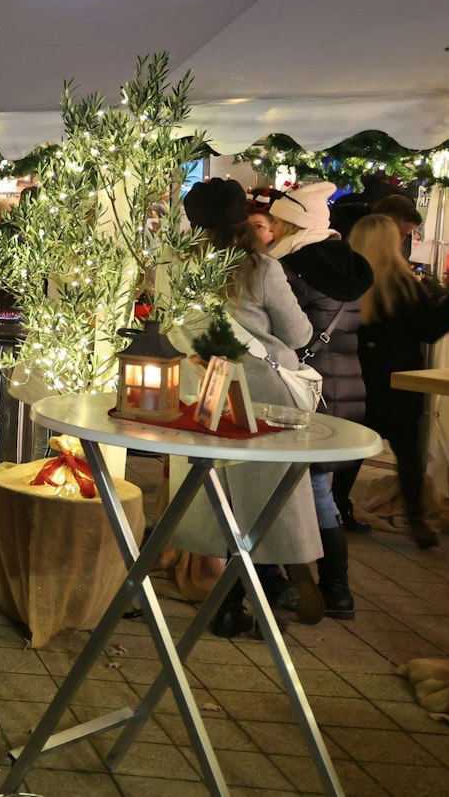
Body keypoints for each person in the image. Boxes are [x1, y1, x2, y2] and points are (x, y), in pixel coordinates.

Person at [175, 178, 322, 638]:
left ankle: (229, 604)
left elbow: (175, 332)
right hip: (262, 396)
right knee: (268, 500)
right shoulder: (261, 268)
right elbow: (298, 335)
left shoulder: (175, 267)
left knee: (217, 498)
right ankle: (271, 591)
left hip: (205, 392)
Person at [266, 181, 372, 620]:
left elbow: (286, 330)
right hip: (345, 385)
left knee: (302, 488)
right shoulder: (350, 266)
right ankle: (336, 591)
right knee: (319, 488)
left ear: (292, 222)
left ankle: (311, 586)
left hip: (305, 389)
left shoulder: (290, 267)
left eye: (276, 220)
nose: (270, 228)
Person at [349, 213, 449, 550]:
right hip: (398, 379)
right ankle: (416, 520)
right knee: (407, 453)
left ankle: (337, 510)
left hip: (357, 376)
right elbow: (429, 329)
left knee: (352, 450)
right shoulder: (403, 286)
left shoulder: (349, 282)